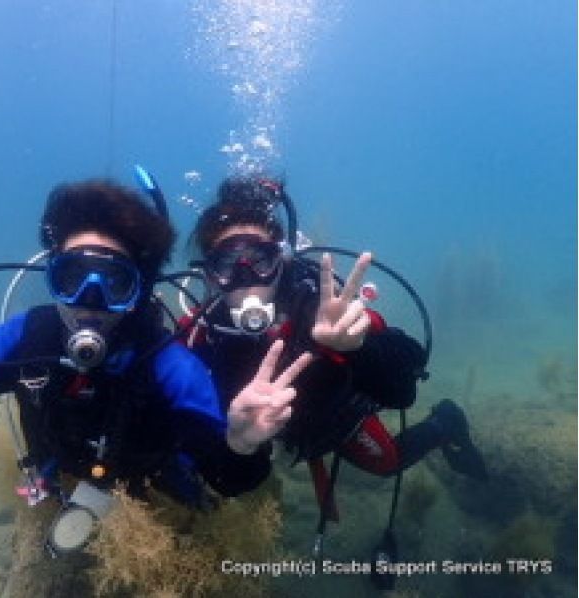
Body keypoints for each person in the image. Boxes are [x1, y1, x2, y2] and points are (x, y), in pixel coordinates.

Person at [0, 179, 313, 521]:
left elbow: (232, 481)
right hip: (61, 479)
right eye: (73, 277)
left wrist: (242, 443)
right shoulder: (24, 339)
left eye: (113, 281)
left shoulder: (168, 364)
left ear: (138, 291)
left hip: (154, 488)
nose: (90, 300)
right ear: (52, 277)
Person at [181, 175, 487, 518]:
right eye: (226, 265)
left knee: (388, 463)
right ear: (208, 275)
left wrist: (358, 347)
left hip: (333, 418)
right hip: (268, 434)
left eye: (260, 260)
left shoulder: (321, 309)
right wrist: (239, 444)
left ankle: (445, 423)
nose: (247, 278)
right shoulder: (199, 334)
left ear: (281, 262)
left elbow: (404, 390)